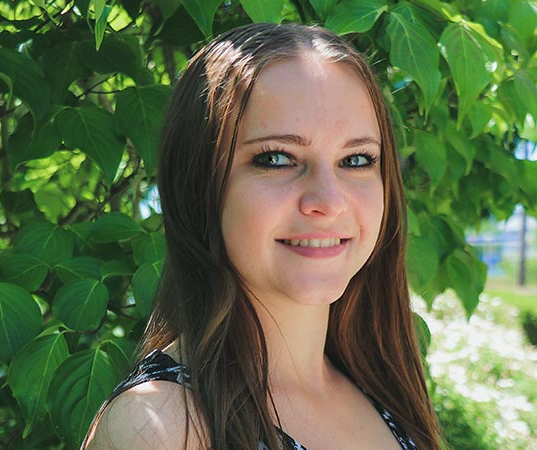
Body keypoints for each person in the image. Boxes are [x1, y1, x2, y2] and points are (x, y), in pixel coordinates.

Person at [83, 23, 442, 450]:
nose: (329, 201)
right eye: (277, 158)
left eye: (357, 159)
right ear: (198, 184)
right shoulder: (163, 427)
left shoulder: (383, 390)